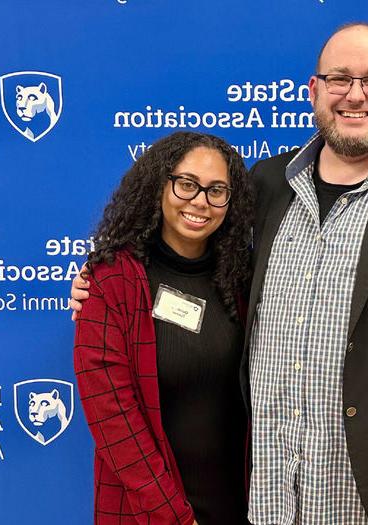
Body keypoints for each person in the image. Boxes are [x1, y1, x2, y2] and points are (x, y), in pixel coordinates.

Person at [73, 23, 368, 525]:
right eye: (339, 79)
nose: (355, 95)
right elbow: (187, 251)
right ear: (314, 90)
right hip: (269, 493)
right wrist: (100, 280)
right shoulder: (266, 184)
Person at [73, 132, 254, 525]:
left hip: (240, 507)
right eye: (187, 184)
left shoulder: (243, 280)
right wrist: (171, 515)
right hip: (151, 512)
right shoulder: (111, 280)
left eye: (217, 190)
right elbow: (112, 418)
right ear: (159, 184)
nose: (200, 201)